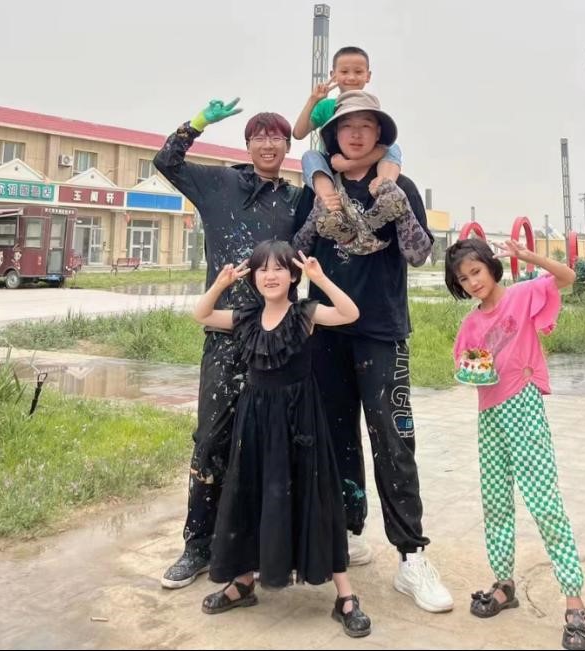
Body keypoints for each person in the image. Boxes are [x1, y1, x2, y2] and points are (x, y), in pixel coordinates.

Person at [293, 91, 454, 613]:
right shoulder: (320, 187)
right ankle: (348, 531)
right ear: (334, 135)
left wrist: (398, 207)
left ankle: (411, 556)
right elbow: (296, 252)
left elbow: (419, 253)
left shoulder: (398, 184)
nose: (357, 133)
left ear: (380, 133)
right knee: (335, 435)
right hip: (327, 332)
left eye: (367, 125)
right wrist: (320, 212)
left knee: (393, 439)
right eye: (348, 126)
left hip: (382, 332)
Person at [153, 99, 307, 589]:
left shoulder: (297, 199)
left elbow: (327, 226)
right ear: (247, 144)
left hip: (278, 339)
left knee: (274, 442)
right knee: (212, 439)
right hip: (225, 334)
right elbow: (166, 162)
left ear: (287, 146)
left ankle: (269, 546)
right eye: (259, 136)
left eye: (277, 137)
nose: (268, 144)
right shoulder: (219, 183)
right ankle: (197, 545)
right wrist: (198, 123)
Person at [192, 240, 372, 638]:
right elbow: (200, 314)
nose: (270, 276)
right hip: (255, 421)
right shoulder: (246, 317)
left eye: (279, 268)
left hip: (300, 420)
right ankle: (243, 582)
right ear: (254, 277)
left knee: (315, 496)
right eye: (262, 269)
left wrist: (320, 278)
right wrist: (220, 284)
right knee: (250, 492)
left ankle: (345, 597)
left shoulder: (304, 313)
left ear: (292, 275)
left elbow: (350, 313)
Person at [444, 237, 585, 651]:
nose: (473, 282)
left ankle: (575, 603)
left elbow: (567, 277)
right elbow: (464, 363)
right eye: (463, 279)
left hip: (523, 406)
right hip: (489, 415)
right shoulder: (470, 323)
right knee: (495, 501)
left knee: (544, 502)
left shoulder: (524, 295)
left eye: (476, 271)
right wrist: (471, 368)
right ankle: (504, 584)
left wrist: (529, 257)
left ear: (491, 267)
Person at [293, 46, 403, 218]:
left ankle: (384, 187)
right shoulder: (326, 106)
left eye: (358, 72)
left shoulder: (370, 105)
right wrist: (313, 99)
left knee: (393, 147)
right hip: (332, 162)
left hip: (363, 160)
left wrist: (349, 165)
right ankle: (328, 195)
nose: (351, 77)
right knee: (310, 156)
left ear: (368, 75)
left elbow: (382, 147)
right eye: (344, 71)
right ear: (333, 74)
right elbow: (298, 134)